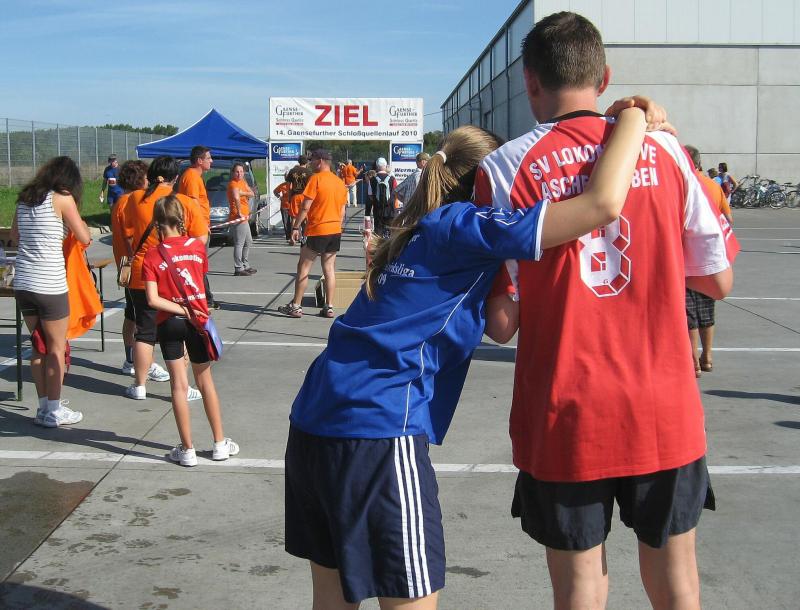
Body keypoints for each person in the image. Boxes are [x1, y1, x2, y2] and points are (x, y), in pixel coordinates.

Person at [285, 106, 666, 608]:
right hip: (377, 427)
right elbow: (600, 205)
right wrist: (634, 119)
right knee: (410, 595)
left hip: (313, 421)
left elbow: (500, 326)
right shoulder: (466, 226)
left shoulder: (416, 230)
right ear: (487, 181)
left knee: (331, 598)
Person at [476, 13, 738, 610]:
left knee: (580, 587)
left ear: (530, 81)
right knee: (677, 584)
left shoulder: (504, 167)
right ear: (604, 78)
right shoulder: (666, 150)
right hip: (662, 407)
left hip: (566, 412)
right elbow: (718, 280)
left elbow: (502, 324)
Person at [142, 195, 239, 467]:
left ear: (157, 223)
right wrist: (189, 309)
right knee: (205, 381)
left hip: (169, 321)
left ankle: (187, 449)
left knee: (178, 385)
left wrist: (178, 308)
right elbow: (199, 280)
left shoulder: (152, 255)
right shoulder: (196, 247)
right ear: (181, 218)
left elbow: (152, 299)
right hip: (197, 320)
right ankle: (219, 443)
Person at [11, 156, 91, 426]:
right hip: (50, 283)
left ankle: (43, 406)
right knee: (56, 349)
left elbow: (15, 237)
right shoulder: (63, 199)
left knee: (38, 347)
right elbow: (84, 237)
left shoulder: (24, 199)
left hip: (23, 282)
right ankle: (54, 411)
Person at [122, 156, 208, 402]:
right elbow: (200, 239)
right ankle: (183, 385)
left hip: (142, 271)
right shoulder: (184, 202)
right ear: (176, 177)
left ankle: (139, 385)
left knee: (144, 331)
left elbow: (129, 231)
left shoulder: (134, 199)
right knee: (182, 329)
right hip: (175, 274)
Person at [113, 160, 171, 382]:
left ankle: (131, 359)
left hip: (127, 265)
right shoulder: (131, 201)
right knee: (144, 321)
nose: (149, 181)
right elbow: (130, 237)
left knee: (132, 315)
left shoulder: (124, 200)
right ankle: (144, 362)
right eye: (146, 177)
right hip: (136, 266)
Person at [278, 148, 347, 319]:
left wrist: (295, 227)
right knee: (329, 268)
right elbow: (342, 211)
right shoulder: (339, 182)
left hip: (317, 229)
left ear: (320, 161)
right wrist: (337, 226)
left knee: (303, 267)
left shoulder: (316, 179)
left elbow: (305, 206)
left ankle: (296, 306)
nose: (310, 163)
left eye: (313, 160)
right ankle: (329, 306)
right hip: (334, 230)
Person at [685, 145, 733, 377]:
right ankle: (708, 356)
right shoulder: (713, 185)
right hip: (709, 256)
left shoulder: (682, 183)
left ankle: (693, 360)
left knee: (688, 312)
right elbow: (728, 218)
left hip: (685, 257)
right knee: (706, 308)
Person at [177, 145, 217, 308]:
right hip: (195, 230)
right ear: (199, 160)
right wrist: (201, 225)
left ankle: (205, 297)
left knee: (199, 265)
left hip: (199, 227)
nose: (211, 161)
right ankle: (204, 299)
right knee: (197, 265)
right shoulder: (192, 177)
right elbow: (192, 204)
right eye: (208, 158)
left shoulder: (195, 176)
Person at [227, 162, 257, 276]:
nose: (239, 174)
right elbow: (236, 198)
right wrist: (239, 212)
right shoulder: (233, 184)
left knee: (248, 241)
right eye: (237, 172)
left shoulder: (243, 182)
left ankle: (245, 264)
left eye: (241, 171)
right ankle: (238, 268)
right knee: (239, 243)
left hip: (245, 216)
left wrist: (242, 193)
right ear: (233, 173)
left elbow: (252, 193)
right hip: (238, 217)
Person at [368, 157, 397, 238]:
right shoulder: (392, 179)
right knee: (390, 232)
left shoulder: (372, 179)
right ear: (386, 166)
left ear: (377, 166)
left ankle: (379, 245)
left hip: (378, 210)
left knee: (378, 232)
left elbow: (370, 195)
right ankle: (389, 245)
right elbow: (396, 193)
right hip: (390, 210)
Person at [287, 166, 311, 246]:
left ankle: (292, 238)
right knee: (306, 218)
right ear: (306, 163)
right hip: (305, 196)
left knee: (294, 218)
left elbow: (288, 186)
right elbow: (311, 185)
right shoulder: (308, 172)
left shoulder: (292, 171)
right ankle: (306, 237)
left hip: (295, 196)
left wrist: (289, 197)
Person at [274, 175, 292, 243]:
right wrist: (279, 197)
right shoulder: (282, 185)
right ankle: (288, 237)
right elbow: (275, 191)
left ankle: (296, 236)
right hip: (284, 206)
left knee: (294, 222)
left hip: (293, 206)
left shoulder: (294, 185)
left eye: (288, 177)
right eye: (285, 177)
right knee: (286, 222)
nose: (287, 178)